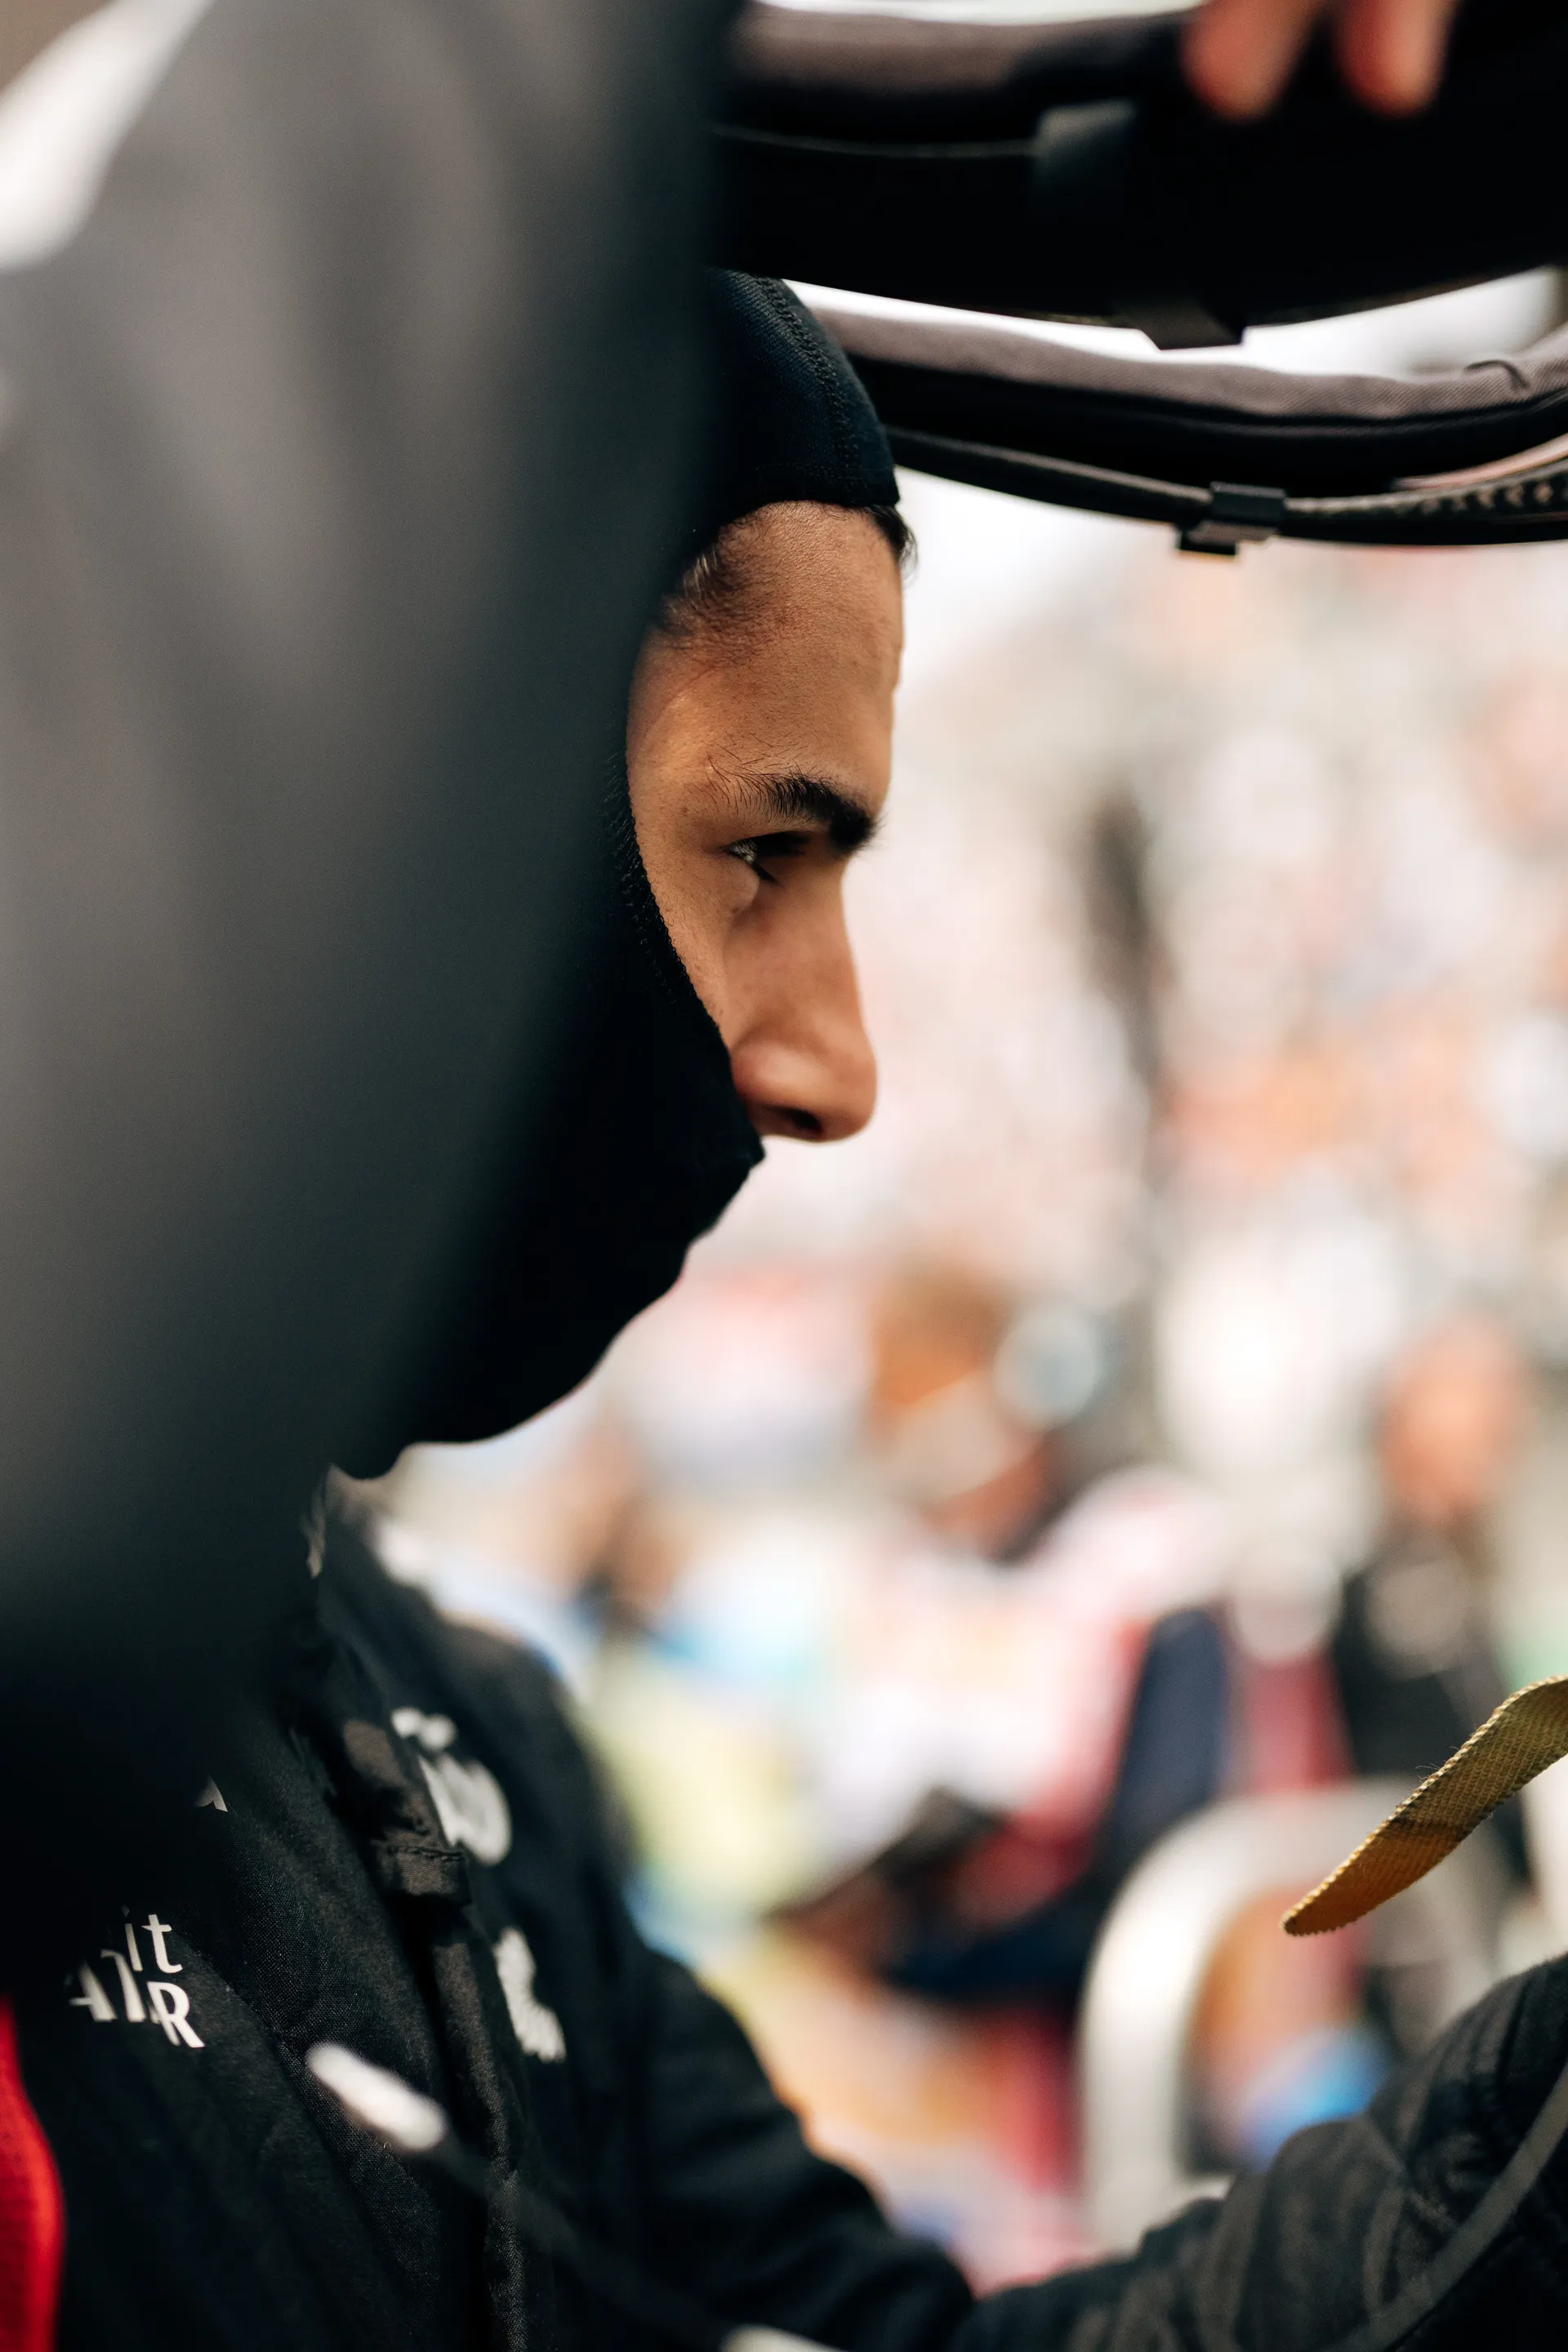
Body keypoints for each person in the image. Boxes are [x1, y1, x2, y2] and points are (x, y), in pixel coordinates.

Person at [10, 270, 1566, 2352]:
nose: (838, 1063)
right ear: (404, 787)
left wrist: (1521, 2158)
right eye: (763, 849)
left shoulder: (458, 1719)